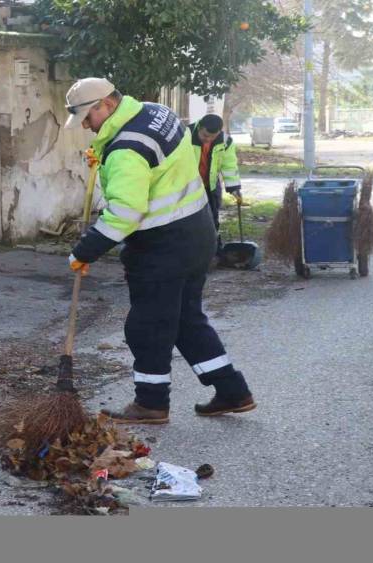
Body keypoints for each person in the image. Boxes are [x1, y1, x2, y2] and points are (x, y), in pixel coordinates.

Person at [63, 77, 256, 423]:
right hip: (198, 232)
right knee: (185, 319)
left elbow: (125, 213)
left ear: (105, 105)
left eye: (87, 119)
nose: (87, 128)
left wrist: (84, 251)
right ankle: (232, 391)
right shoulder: (157, 113)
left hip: (162, 245)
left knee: (148, 326)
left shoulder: (125, 149)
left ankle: (151, 403)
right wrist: (104, 159)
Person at [189, 114, 242, 256]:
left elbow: (229, 165)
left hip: (210, 186)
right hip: (187, 188)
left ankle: (213, 251)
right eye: (205, 135)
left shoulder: (226, 142)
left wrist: (234, 188)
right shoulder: (185, 135)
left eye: (212, 137)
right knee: (188, 220)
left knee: (212, 219)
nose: (208, 139)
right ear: (199, 127)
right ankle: (188, 252)